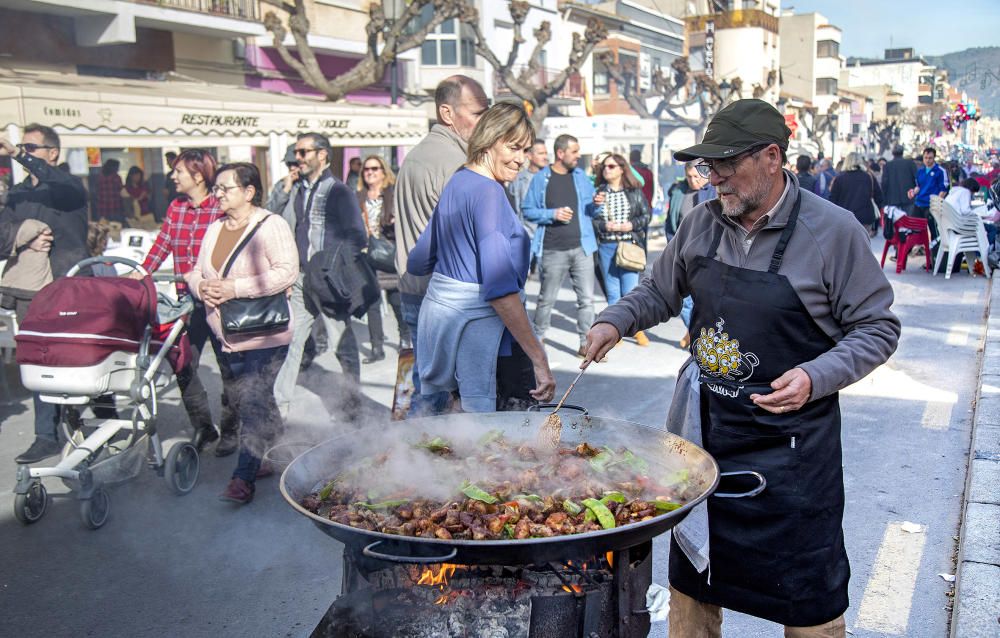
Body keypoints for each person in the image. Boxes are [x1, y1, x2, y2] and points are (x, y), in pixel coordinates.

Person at [584, 99, 900, 637]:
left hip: (794, 451)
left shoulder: (833, 231)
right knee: (693, 588)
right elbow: (661, 289)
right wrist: (614, 321)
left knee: (810, 604)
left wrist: (815, 376)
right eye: (709, 168)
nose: (715, 180)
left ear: (773, 157)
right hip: (708, 439)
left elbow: (878, 328)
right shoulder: (700, 223)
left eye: (727, 165)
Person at [406, 103, 555, 411]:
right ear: (488, 141)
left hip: (451, 336)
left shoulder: (458, 181)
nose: (520, 159)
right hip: (492, 347)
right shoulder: (489, 192)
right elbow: (499, 289)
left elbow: (418, 261)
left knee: (464, 441)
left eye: (525, 150)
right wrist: (539, 359)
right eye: (512, 147)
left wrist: (455, 270)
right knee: (505, 446)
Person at [186, 162, 298, 505]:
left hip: (266, 333)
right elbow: (196, 270)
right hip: (227, 333)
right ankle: (282, 455)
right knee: (253, 399)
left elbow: (286, 273)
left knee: (251, 400)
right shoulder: (216, 228)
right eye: (216, 188)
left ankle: (243, 478)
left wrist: (235, 288)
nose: (217, 194)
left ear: (249, 192)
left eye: (225, 188)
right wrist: (201, 286)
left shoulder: (271, 225)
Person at [134, 149, 240, 456]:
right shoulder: (176, 207)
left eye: (179, 171)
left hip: (220, 303)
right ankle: (204, 427)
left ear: (198, 176)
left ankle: (231, 430)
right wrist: (139, 273)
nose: (172, 176)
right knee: (183, 363)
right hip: (187, 302)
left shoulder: (220, 209)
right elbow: (162, 244)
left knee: (228, 368)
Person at [394, 75, 489, 416]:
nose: (485, 121)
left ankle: (416, 457)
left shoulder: (417, 155)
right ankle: (421, 462)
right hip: (446, 296)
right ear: (447, 113)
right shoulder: (455, 163)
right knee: (445, 396)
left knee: (428, 385)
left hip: (417, 289)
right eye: (478, 113)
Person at [1, 124, 89, 464]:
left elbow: (64, 189)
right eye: (22, 146)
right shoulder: (19, 193)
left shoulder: (69, 187)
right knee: (37, 361)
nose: (23, 152)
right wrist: (25, 235)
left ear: (52, 153)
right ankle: (45, 435)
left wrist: (16, 153)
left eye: (31, 148)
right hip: (30, 292)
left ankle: (85, 420)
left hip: (69, 287)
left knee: (77, 358)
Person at [271, 132, 367, 420]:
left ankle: (353, 404)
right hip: (300, 279)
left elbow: (357, 236)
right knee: (292, 342)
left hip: (328, 279)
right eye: (296, 154)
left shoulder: (338, 190)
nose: (297, 158)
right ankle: (280, 407)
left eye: (303, 152)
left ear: (322, 154)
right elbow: (268, 215)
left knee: (342, 345)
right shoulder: (295, 189)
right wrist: (285, 188)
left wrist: (336, 268)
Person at [523, 134, 598, 358]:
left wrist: (597, 204)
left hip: (582, 248)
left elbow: (591, 211)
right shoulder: (541, 179)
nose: (578, 156)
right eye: (574, 151)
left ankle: (586, 344)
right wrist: (552, 214)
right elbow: (528, 210)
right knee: (547, 300)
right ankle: (538, 342)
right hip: (552, 250)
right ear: (560, 153)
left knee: (587, 300)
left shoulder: (581, 176)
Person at [592, 153, 651, 345]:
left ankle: (637, 329)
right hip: (606, 246)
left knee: (631, 291)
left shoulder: (633, 191)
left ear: (621, 169)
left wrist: (631, 225)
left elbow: (645, 216)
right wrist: (604, 226)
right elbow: (592, 220)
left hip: (629, 246)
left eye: (611, 166)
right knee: (612, 292)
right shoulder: (599, 192)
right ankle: (615, 331)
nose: (606, 169)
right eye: (604, 167)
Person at [357, 154, 409, 362]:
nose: (370, 172)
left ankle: (405, 339)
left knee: (396, 300)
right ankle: (376, 348)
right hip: (366, 255)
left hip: (389, 253)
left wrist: (396, 220)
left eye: (374, 168)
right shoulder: (359, 196)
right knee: (372, 303)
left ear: (383, 171)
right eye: (366, 169)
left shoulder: (393, 193)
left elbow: (405, 221)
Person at [830, 152, 884, 236]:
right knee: (863, 244)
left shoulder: (839, 178)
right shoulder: (869, 177)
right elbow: (879, 197)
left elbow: (833, 200)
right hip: (865, 216)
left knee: (847, 244)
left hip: (845, 217)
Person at [507, 138, 548, 238]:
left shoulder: (550, 178)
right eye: (541, 153)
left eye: (546, 153)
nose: (545, 157)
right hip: (524, 236)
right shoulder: (517, 179)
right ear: (529, 156)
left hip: (544, 238)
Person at [666, 161, 717, 238]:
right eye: (689, 176)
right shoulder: (678, 192)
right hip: (681, 244)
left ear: (705, 174)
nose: (692, 181)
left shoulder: (715, 192)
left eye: (696, 176)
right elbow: (670, 223)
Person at [909, 147, 949, 238]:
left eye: (930, 158)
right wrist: (913, 192)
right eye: (925, 158)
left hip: (931, 205)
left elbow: (943, 190)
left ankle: (935, 251)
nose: (927, 160)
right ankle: (918, 249)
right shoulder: (920, 171)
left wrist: (936, 203)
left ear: (934, 158)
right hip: (919, 203)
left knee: (933, 230)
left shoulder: (940, 171)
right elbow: (918, 186)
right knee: (914, 230)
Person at [881, 145, 917, 230]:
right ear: (902, 152)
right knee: (908, 221)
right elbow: (916, 180)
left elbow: (884, 183)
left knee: (895, 221)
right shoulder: (910, 163)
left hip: (893, 198)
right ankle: (907, 239)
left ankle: (898, 239)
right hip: (909, 197)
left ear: (893, 153)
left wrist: (884, 199)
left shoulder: (888, 165)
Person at [96, 159, 125, 223]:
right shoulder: (116, 177)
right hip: (115, 208)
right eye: (117, 167)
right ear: (113, 167)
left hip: (102, 209)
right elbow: (122, 192)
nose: (118, 169)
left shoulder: (99, 177)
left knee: (104, 229)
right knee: (116, 229)